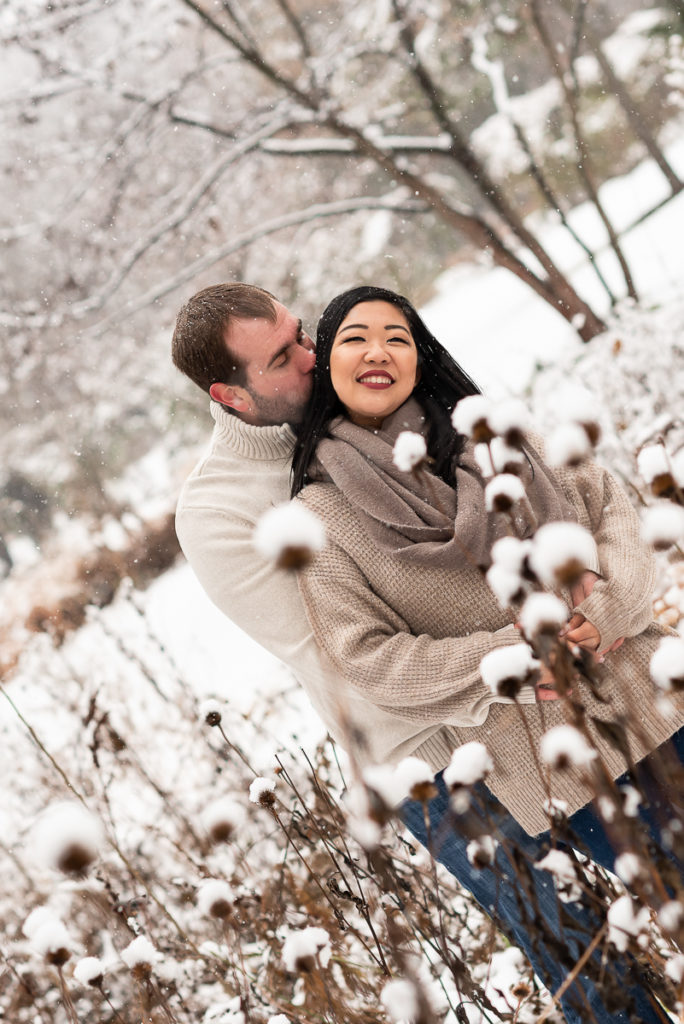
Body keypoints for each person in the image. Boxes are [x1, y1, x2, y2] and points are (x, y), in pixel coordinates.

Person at [173, 282, 679, 1023]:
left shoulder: (366, 400)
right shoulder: (221, 512)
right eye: (282, 357)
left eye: (303, 333)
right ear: (233, 394)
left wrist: (590, 606)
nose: (312, 358)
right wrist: (529, 642)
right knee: (589, 966)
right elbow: (356, 656)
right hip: (441, 764)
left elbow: (569, 498)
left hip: (563, 694)